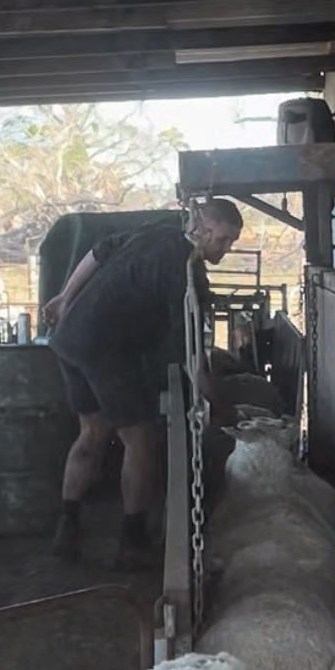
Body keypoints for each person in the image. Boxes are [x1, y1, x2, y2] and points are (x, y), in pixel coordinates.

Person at [42, 198, 244, 568]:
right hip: (109, 349)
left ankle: (66, 530)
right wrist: (227, 412)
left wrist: (64, 298)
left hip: (72, 337)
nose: (226, 248)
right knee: (141, 438)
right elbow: (197, 368)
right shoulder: (188, 274)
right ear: (207, 228)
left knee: (91, 432)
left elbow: (97, 253)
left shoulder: (158, 233)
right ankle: (133, 542)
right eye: (226, 238)